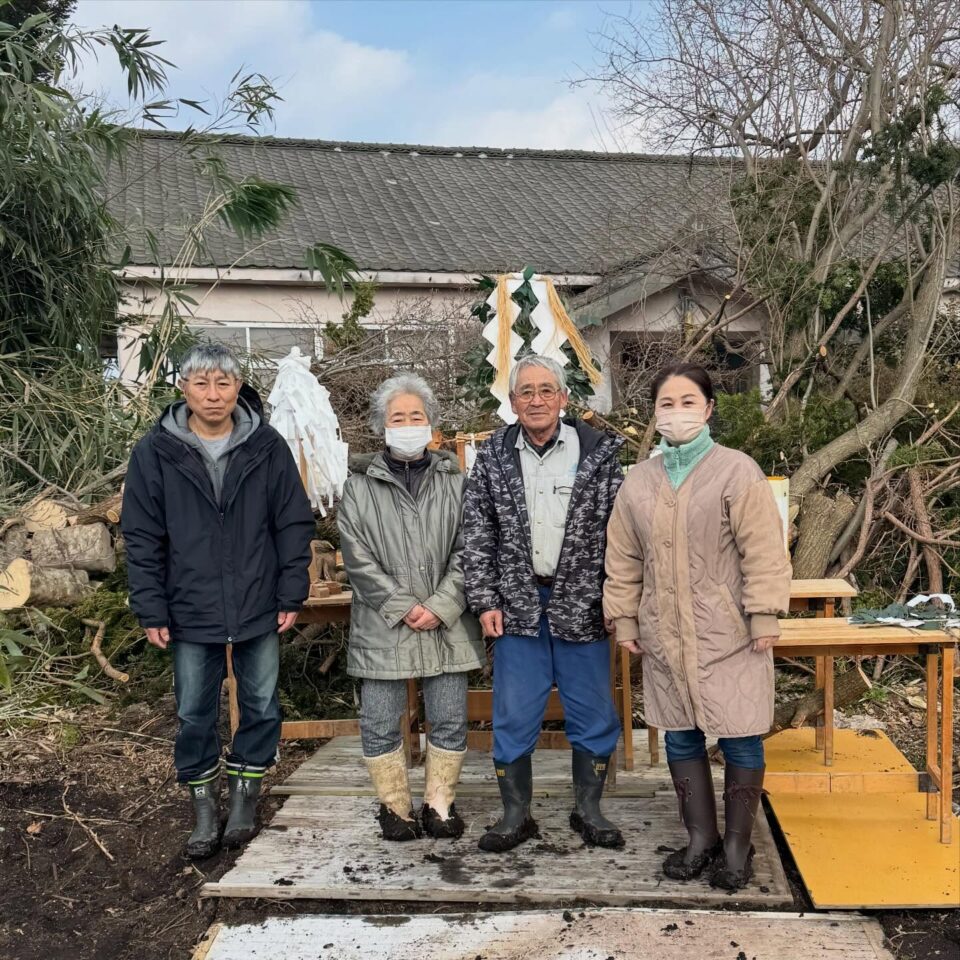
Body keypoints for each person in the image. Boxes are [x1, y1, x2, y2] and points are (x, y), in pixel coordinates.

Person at [121, 343, 315, 859]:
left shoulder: (267, 446)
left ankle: (245, 797)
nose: (213, 395)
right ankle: (204, 807)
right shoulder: (155, 451)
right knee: (193, 712)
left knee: (260, 705)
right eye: (202, 383)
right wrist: (151, 606)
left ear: (237, 388)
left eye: (223, 384)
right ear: (183, 388)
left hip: (257, 602)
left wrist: (291, 588)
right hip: (189, 606)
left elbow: (293, 523)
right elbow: (141, 536)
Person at [603, 362, 791, 891]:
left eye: (689, 402)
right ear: (655, 413)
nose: (678, 412)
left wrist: (764, 614)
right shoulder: (637, 481)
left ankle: (737, 845)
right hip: (665, 634)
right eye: (668, 403)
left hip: (729, 633)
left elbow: (763, 549)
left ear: (709, 409)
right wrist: (625, 619)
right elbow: (623, 558)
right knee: (680, 736)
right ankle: (700, 838)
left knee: (740, 736)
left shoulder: (737, 471)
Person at [462, 355, 625, 852]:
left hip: (583, 602)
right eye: (525, 392)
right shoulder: (492, 456)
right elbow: (476, 531)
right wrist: (484, 597)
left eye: (545, 390)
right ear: (512, 402)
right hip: (517, 605)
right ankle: (516, 814)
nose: (536, 399)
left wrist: (616, 594)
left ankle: (589, 808)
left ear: (564, 398)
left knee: (593, 709)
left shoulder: (598, 453)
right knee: (513, 712)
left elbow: (621, 532)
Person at [338, 374, 484, 841]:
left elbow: (472, 547)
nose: (406, 424)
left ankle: (440, 804)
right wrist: (402, 605)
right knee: (379, 719)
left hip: (446, 622)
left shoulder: (456, 481)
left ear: (433, 426)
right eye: (397, 418)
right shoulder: (358, 486)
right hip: (384, 624)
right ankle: (395, 807)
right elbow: (355, 556)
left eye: (415, 417)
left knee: (449, 716)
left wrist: (441, 604)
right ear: (382, 427)